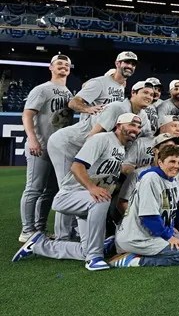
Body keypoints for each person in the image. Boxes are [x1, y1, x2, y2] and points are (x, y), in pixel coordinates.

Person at [13, 113, 142, 271]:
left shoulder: (120, 147)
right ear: (119, 125)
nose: (136, 129)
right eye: (132, 124)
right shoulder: (101, 139)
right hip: (69, 195)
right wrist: (92, 188)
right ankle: (94, 257)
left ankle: (39, 244)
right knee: (102, 198)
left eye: (138, 126)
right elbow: (76, 167)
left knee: (85, 250)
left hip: (87, 200)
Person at [106, 144, 179, 268]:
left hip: (151, 234)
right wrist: (168, 237)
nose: (176, 166)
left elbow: (167, 214)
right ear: (160, 162)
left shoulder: (172, 181)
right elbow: (149, 216)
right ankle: (132, 260)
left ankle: (120, 247)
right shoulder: (151, 178)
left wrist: (171, 232)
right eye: (172, 161)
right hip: (137, 238)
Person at [19, 54, 73, 242]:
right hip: (40, 146)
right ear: (51, 67)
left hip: (58, 149)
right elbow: (27, 115)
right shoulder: (42, 89)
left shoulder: (69, 93)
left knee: (50, 191)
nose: (63, 67)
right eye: (59, 64)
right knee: (34, 189)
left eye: (66, 65)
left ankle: (39, 229)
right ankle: (27, 230)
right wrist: (32, 139)